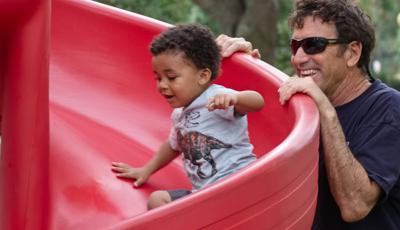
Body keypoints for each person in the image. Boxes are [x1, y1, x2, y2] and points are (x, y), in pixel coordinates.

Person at [216, 0, 400, 229]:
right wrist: (240, 65)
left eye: (314, 45)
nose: (299, 58)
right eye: (295, 46)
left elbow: (355, 205)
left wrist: (325, 110)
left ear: (352, 53)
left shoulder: (389, 107)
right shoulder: (300, 105)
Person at [111, 24, 264, 210]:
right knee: (157, 200)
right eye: (158, 78)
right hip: (203, 194)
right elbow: (173, 145)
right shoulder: (179, 115)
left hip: (240, 181)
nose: (162, 85)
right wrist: (146, 170)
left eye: (171, 77)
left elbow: (257, 102)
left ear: (202, 76)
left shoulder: (216, 97)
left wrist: (236, 98)